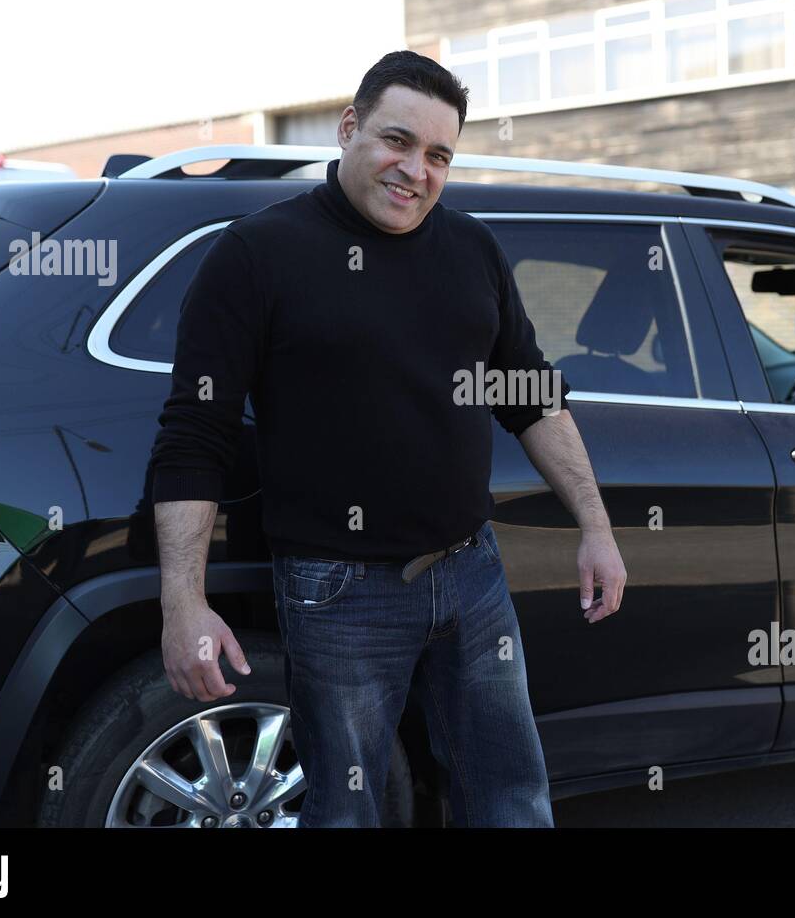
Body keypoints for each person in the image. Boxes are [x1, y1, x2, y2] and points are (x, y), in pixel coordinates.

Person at [148, 50, 627, 827]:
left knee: (512, 798)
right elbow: (193, 436)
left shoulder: (472, 250)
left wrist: (597, 527)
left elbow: (532, 396)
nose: (416, 171)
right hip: (339, 595)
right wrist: (184, 603)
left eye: (438, 155)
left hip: (473, 577)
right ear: (349, 128)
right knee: (347, 812)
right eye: (397, 142)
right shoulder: (258, 255)